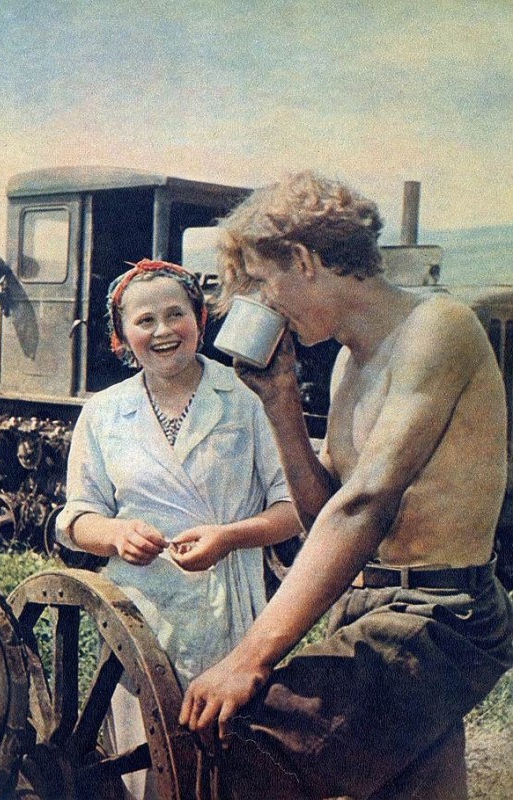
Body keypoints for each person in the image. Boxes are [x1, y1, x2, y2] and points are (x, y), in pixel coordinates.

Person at [179, 172, 513, 799]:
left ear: (304, 261)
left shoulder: (438, 328)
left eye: (263, 281)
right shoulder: (347, 361)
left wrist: (249, 657)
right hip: (375, 607)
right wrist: (280, 402)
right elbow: (323, 514)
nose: (263, 303)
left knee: (242, 744)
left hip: (443, 614)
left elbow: (364, 506)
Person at [56, 258, 301, 798]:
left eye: (175, 314)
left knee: (232, 762)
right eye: (144, 321)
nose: (163, 330)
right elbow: (75, 519)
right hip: (138, 621)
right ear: (122, 337)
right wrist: (116, 534)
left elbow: (294, 508)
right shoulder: (103, 413)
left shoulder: (246, 399)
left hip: (230, 616)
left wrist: (228, 538)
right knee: (146, 764)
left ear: (200, 319)